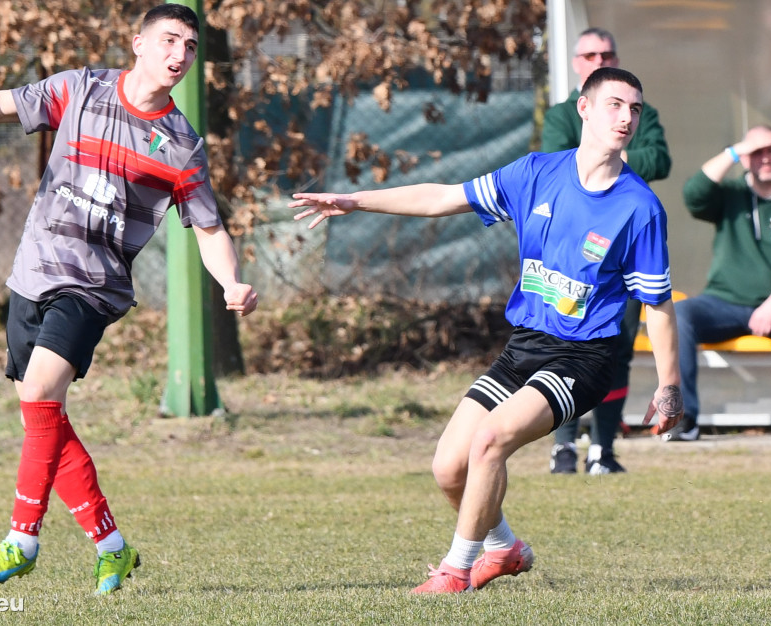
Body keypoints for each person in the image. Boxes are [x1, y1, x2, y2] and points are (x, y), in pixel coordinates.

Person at [291, 67, 683, 594]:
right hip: (526, 347)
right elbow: (442, 198)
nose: (627, 118)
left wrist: (669, 386)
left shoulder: (639, 208)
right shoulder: (535, 174)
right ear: (583, 110)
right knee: (448, 468)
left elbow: (657, 305)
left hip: (585, 357)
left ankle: (455, 571)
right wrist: (355, 200)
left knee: (490, 440)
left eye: (635, 109)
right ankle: (505, 548)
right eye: (615, 105)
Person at [0, 4, 257, 595]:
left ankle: (21, 541)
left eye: (191, 46)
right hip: (32, 274)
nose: (180, 54)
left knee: (43, 394)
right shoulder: (80, 88)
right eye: (170, 40)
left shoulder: (181, 144)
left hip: (94, 287)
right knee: (43, 415)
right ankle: (112, 547)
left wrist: (230, 281)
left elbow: (209, 230)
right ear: (138, 44)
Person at [541, 27, 672, 475]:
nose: (599, 59)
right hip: (572, 248)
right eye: (589, 54)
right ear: (577, 64)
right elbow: (560, 161)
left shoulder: (643, 113)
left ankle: (604, 448)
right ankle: (563, 445)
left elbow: (661, 160)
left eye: (607, 52)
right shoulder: (561, 114)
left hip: (624, 245)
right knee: (565, 344)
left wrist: (610, 155)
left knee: (616, 347)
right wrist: (611, 155)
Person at [664, 125, 771, 442]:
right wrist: (736, 149)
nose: (765, 158)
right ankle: (685, 419)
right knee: (680, 313)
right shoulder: (731, 195)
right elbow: (694, 194)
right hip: (723, 302)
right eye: (756, 152)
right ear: (745, 157)